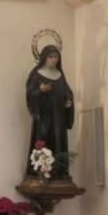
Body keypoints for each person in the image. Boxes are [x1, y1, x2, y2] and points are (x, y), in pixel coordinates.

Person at [25, 44, 74, 178]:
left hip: (59, 117)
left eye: (56, 57)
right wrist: (40, 90)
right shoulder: (36, 74)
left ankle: (59, 172)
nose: (54, 60)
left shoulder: (59, 74)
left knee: (59, 139)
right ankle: (40, 171)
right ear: (44, 58)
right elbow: (30, 93)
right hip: (44, 117)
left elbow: (67, 91)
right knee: (43, 140)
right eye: (51, 57)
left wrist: (68, 100)